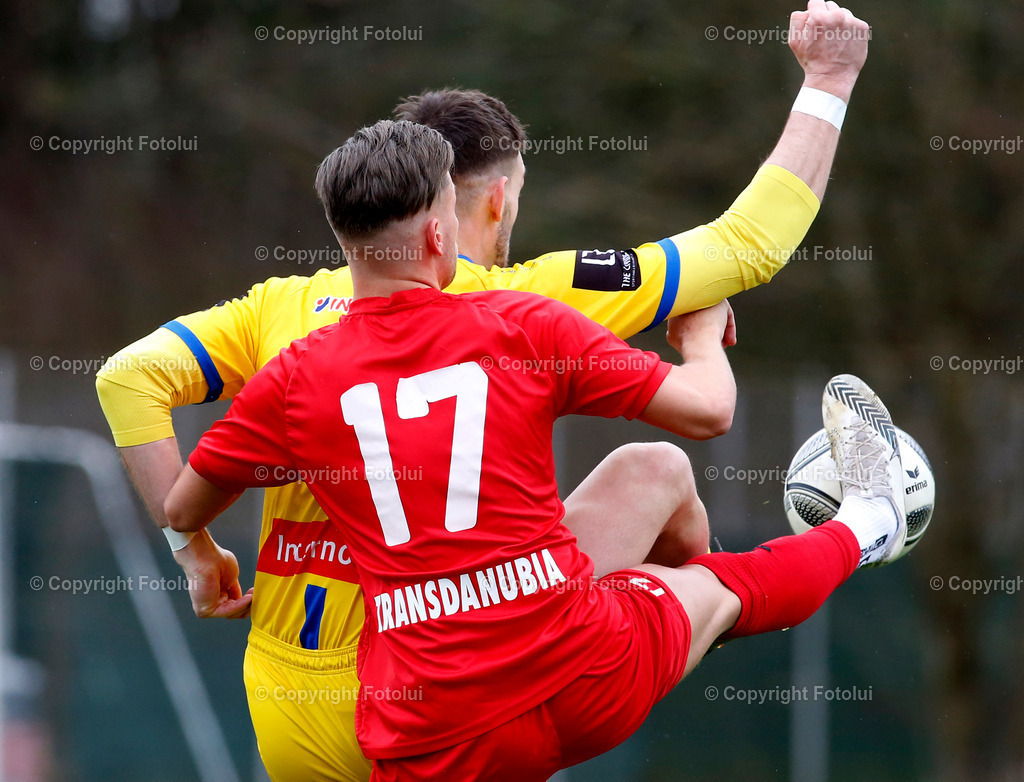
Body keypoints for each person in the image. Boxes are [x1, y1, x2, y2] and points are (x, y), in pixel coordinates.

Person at [95, 2, 870, 777]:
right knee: (677, 525)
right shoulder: (526, 306)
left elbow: (128, 378)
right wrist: (828, 79)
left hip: (287, 692)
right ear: (493, 200)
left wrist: (192, 551)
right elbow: (749, 245)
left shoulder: (281, 316)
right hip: (438, 691)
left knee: (654, 477)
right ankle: (745, 590)